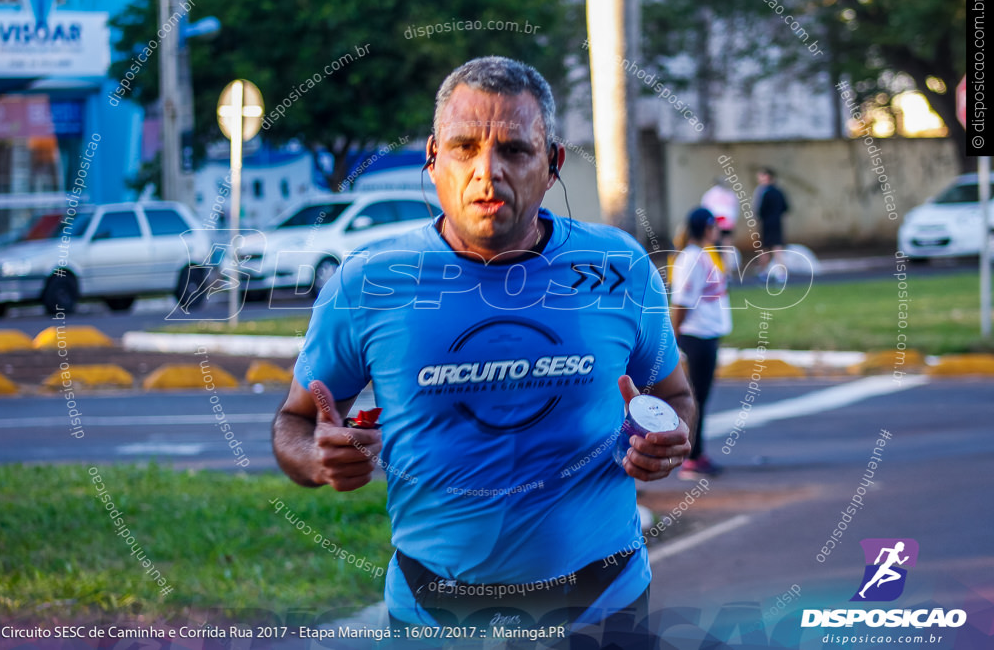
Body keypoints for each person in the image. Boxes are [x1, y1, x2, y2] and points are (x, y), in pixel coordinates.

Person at [272, 56, 695, 648]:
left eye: (515, 150)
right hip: (431, 614)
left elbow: (674, 396)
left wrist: (669, 438)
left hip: (604, 607)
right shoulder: (368, 283)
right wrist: (316, 457)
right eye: (464, 147)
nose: (486, 173)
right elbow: (294, 422)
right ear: (432, 159)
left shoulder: (618, 266)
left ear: (552, 165)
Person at [670, 208, 731, 480]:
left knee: (701, 398)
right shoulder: (691, 259)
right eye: (714, 226)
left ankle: (697, 452)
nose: (718, 231)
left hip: (708, 334)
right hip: (696, 336)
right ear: (706, 228)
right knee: (695, 399)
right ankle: (692, 457)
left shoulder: (705, 255)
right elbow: (681, 302)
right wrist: (673, 337)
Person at [754, 167, 789, 279]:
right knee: (777, 248)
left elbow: (760, 210)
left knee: (764, 248)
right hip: (777, 223)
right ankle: (781, 273)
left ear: (767, 177)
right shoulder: (779, 191)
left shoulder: (764, 192)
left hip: (767, 224)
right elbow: (786, 207)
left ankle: (763, 272)